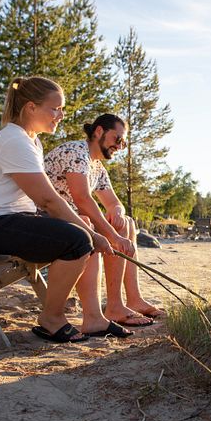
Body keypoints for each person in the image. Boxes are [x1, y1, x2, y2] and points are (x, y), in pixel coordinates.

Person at [0, 76, 132, 343]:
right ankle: (52, 319)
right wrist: (91, 233)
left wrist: (88, 226)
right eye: (55, 108)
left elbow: (46, 202)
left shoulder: (31, 141)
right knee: (77, 239)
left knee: (80, 231)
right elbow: (49, 201)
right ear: (30, 107)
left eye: (63, 110)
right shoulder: (14, 141)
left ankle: (91, 318)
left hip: (2, 220)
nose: (60, 115)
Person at [44, 113, 164, 327]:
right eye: (117, 139)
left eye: (123, 142)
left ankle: (129, 301)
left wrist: (117, 212)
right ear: (99, 131)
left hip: (70, 219)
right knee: (90, 225)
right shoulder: (76, 152)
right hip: (46, 220)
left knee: (125, 222)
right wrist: (113, 235)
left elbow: (114, 203)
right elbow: (82, 200)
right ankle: (101, 312)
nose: (120, 146)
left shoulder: (96, 166)